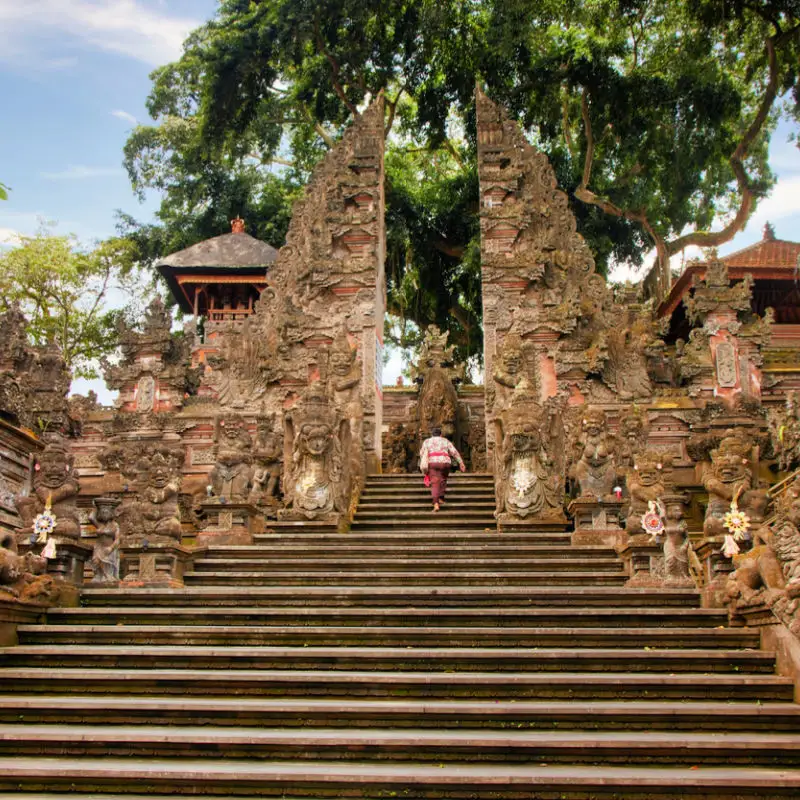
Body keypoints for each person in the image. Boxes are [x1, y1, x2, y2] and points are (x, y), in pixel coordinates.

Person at [419, 426, 466, 512]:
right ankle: (441, 498)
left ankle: (436, 503)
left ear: (432, 435)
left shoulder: (427, 441)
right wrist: (461, 463)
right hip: (445, 463)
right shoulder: (445, 441)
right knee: (443, 479)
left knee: (435, 482)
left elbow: (422, 453)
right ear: (441, 434)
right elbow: (454, 452)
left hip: (433, 463)